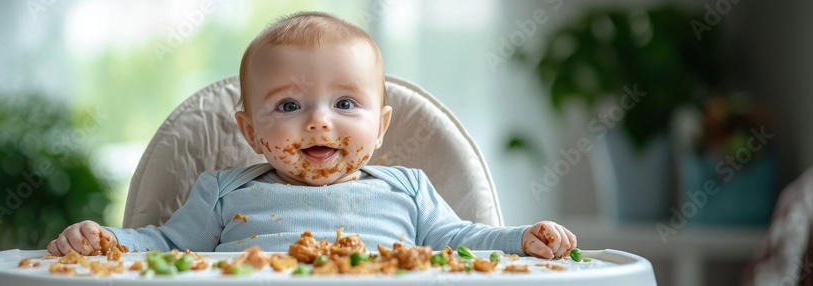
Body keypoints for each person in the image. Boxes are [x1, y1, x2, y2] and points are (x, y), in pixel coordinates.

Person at [47, 11, 576, 260]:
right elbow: (165, 246)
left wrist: (519, 239)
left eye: (345, 104)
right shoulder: (225, 193)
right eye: (289, 106)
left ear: (381, 126)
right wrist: (107, 241)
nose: (319, 122)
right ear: (251, 131)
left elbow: (460, 241)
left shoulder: (408, 189)